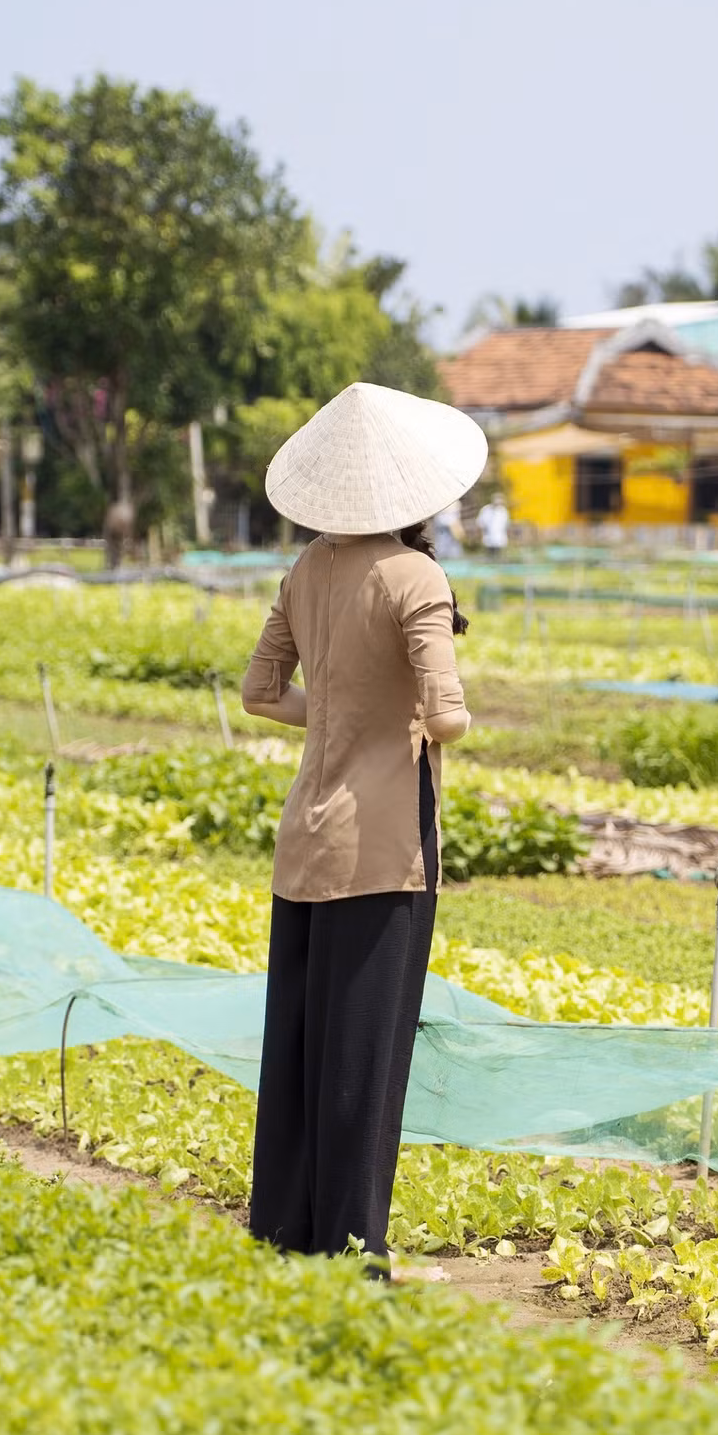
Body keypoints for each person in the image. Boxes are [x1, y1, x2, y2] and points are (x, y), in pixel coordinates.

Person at [240, 381, 487, 1274]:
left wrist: (343, 713)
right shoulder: (417, 577)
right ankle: (355, 1250)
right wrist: (412, 721)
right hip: (385, 844)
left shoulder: (308, 569)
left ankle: (282, 1232)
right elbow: (448, 713)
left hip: (305, 835)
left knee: (300, 1043)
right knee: (366, 1054)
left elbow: (261, 693)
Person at [476, 491, 509, 556]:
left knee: (498, 557)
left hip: (500, 539)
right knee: (489, 556)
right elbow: (480, 523)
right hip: (488, 538)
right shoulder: (486, 509)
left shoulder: (503, 511)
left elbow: (505, 525)